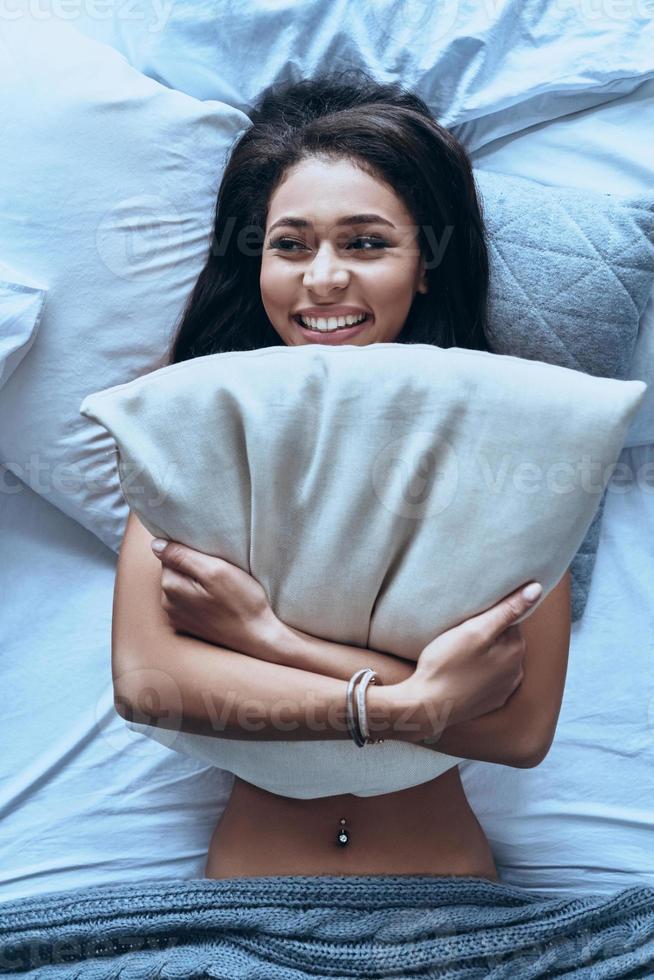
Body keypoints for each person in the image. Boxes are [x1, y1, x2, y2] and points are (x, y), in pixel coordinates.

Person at [112, 70, 571, 881]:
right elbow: (149, 685)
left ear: (425, 263)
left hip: (453, 911)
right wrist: (416, 704)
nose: (323, 279)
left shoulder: (515, 440)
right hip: (249, 910)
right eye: (290, 245)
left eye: (365, 243)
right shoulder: (198, 434)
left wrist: (266, 639)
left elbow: (519, 731)